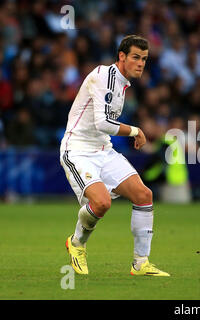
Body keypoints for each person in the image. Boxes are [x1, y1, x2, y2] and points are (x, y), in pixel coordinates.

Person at [60, 35, 170, 276]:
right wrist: (135, 130)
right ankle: (77, 243)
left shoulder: (121, 83)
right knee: (101, 203)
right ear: (122, 56)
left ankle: (141, 263)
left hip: (103, 150)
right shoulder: (104, 76)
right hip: (77, 149)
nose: (141, 63)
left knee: (143, 195)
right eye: (135, 57)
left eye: (144, 59)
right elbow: (101, 123)